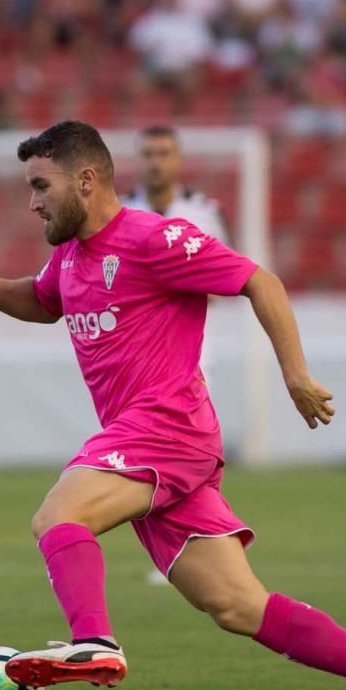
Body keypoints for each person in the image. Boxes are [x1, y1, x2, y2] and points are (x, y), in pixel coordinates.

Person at [0, 120, 346, 690]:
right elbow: (45, 301)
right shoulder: (70, 258)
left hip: (167, 425)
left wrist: (294, 375)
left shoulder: (154, 238)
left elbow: (259, 280)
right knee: (238, 606)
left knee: (57, 516)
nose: (32, 202)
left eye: (41, 186)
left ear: (86, 179)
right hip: (153, 446)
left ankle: (94, 640)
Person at [122, 123, 228, 586]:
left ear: (178, 159)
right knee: (153, 460)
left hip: (191, 356)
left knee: (186, 460)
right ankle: (179, 552)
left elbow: (227, 277)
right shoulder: (122, 212)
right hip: (138, 360)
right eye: (148, 152)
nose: (156, 161)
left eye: (164, 152)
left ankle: (197, 549)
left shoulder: (202, 212)